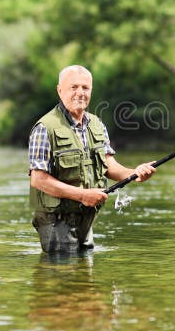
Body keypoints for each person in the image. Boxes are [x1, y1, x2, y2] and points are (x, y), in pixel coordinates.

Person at [28, 65, 156, 253]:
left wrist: (134, 173)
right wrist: (83, 195)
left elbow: (109, 165)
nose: (80, 93)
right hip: (56, 220)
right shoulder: (44, 128)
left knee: (84, 277)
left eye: (85, 88)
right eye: (74, 87)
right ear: (59, 90)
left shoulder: (96, 124)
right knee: (62, 275)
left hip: (86, 217)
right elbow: (38, 180)